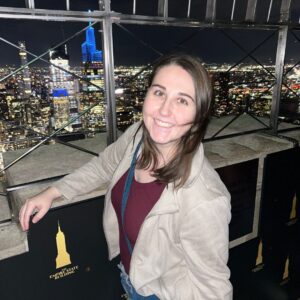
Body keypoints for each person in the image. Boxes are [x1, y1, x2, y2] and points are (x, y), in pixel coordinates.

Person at [19, 53, 232, 299]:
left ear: (199, 116)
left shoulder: (204, 199)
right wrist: (53, 191)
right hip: (129, 280)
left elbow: (213, 289)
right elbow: (103, 166)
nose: (164, 110)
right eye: (159, 92)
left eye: (182, 101)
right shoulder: (138, 137)